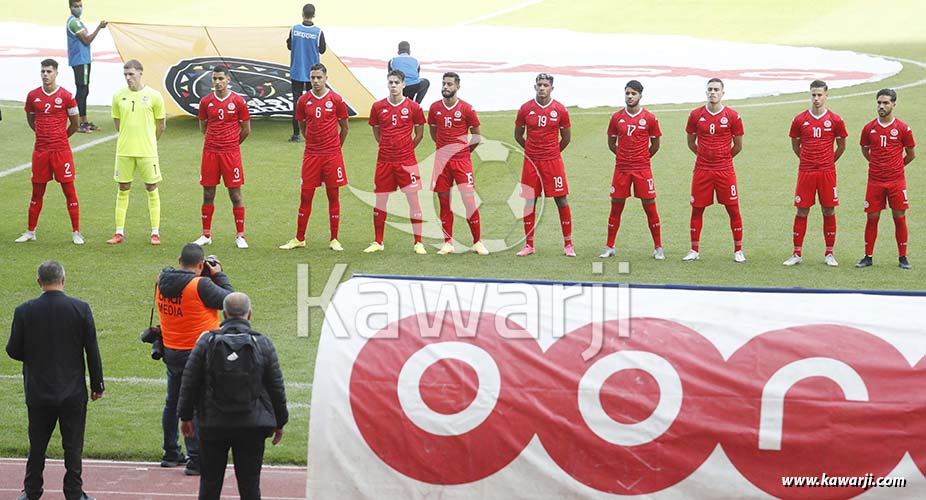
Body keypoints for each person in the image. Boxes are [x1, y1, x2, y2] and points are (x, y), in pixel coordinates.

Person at [7, 260, 104, 500]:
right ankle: (73, 492)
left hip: (38, 390)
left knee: (37, 445)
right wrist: (97, 385)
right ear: (63, 279)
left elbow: (13, 350)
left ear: (39, 281)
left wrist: (34, 355)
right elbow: (92, 350)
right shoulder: (80, 308)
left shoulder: (24, 310)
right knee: (73, 446)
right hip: (72, 391)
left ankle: (31, 491)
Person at [178, 292, 288, 500]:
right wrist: (280, 421)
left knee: (210, 484)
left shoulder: (206, 341)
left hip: (213, 424)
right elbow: (276, 387)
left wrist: (185, 417)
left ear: (223, 314)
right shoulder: (263, 343)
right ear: (250, 314)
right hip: (252, 425)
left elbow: (190, 380)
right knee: (250, 485)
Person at [156, 244, 235, 476]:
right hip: (199, 353)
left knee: (173, 402)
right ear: (201, 265)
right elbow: (233, 302)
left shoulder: (162, 279)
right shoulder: (201, 285)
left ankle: (171, 452)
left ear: (180, 259)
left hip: (171, 349)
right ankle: (196, 459)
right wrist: (219, 274)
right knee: (197, 406)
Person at [280, 63, 350, 251]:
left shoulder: (336, 99)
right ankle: (299, 238)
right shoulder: (303, 101)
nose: (316, 81)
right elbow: (303, 126)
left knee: (333, 195)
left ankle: (334, 239)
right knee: (306, 195)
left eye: (319, 77)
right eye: (313, 78)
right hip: (311, 155)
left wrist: (336, 148)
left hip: (332, 155)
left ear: (326, 78)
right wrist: (312, 141)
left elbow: (344, 127)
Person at [16, 59, 83, 245]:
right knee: (37, 192)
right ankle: (30, 231)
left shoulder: (67, 96)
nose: (45, 74)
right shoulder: (32, 96)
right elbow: (31, 119)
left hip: (61, 151)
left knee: (69, 190)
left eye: (49, 71)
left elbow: (75, 124)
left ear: (56, 73)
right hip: (40, 151)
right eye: (43, 71)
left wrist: (61, 138)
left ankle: (76, 232)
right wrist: (42, 135)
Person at [363, 69, 427, 254]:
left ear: (403, 84)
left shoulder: (414, 108)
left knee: (413, 200)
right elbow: (376, 131)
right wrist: (384, 145)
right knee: (380, 201)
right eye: (390, 82)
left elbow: (420, 133)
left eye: (396, 83)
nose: (393, 86)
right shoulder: (377, 107)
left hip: (406, 162)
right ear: (387, 84)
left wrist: (407, 149)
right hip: (384, 162)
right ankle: (378, 241)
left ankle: (418, 242)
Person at [784, 80, 847, 267]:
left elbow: (841, 146)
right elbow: (796, 145)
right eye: (813, 94)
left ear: (826, 95)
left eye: (820, 94)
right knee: (802, 210)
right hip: (806, 172)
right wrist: (807, 160)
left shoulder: (835, 120)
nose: (816, 98)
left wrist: (827, 161)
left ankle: (829, 253)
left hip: (827, 172)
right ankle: (797, 253)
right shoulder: (799, 119)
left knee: (828, 210)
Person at [683, 78, 746, 262]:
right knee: (697, 209)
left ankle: (738, 250)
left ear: (722, 93)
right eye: (710, 89)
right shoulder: (695, 115)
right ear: (706, 92)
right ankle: (694, 250)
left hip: (725, 170)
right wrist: (704, 156)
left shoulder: (733, 116)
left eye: (716, 89)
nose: (713, 92)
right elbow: (690, 142)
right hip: (702, 169)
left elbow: (738, 146)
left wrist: (722, 158)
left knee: (733, 209)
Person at [599, 80, 663, 260]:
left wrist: (643, 158)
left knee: (650, 207)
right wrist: (623, 157)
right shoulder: (616, 117)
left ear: (640, 96)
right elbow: (612, 143)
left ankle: (658, 247)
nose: (630, 96)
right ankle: (609, 246)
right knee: (616, 207)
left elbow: (655, 144)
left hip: (642, 169)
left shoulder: (649, 118)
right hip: (621, 169)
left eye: (633, 94)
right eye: (627, 93)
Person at [514, 73, 574, 257]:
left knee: (561, 199)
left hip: (552, 162)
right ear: (535, 87)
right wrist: (532, 151)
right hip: (531, 162)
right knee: (530, 200)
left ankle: (568, 245)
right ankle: (529, 245)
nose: (542, 88)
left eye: (545, 85)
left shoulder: (560, 110)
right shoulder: (525, 109)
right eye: (539, 85)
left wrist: (552, 152)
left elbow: (566, 139)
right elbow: (518, 135)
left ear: (551, 88)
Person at [427, 72, 487, 255]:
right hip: (441, 163)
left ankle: (477, 242)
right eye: (444, 83)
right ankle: (448, 242)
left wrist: (464, 152)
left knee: (469, 201)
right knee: (444, 202)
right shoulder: (435, 108)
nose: (446, 87)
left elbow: (476, 136)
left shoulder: (467, 109)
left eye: (450, 84)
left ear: (457, 87)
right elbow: (433, 131)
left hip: (462, 162)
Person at [856, 88, 916, 269]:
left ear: (893, 105)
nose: (881, 106)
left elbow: (911, 154)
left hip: (896, 181)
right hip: (875, 181)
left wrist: (896, 167)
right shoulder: (869, 128)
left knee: (899, 217)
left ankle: (903, 257)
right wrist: (877, 165)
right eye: (879, 103)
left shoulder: (903, 128)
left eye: (886, 103)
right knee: (872, 217)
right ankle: (868, 256)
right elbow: (865, 149)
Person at [107, 59, 166, 246]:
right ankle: (119, 232)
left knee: (151, 188)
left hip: (147, 151)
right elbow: (118, 123)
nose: (128, 77)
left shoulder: (154, 96)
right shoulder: (118, 96)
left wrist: (149, 141)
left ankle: (155, 233)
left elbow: (161, 125)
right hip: (124, 151)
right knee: (123, 188)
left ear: (140, 73)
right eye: (125, 74)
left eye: (131, 74)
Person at [193, 66, 252, 250]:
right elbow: (203, 126)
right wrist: (215, 141)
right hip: (210, 153)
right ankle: (206, 235)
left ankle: (240, 235)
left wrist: (232, 144)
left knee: (235, 194)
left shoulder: (238, 101)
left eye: (220, 79)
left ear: (228, 80)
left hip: (230, 154)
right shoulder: (206, 102)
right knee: (208, 193)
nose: (217, 82)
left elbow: (246, 129)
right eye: (214, 79)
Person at [286, 3, 326, 143]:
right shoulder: (318, 32)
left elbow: (289, 45)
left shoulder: (294, 29)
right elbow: (322, 50)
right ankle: (313, 132)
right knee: (313, 102)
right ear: (314, 15)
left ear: (302, 14)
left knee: (297, 102)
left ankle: (296, 134)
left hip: (297, 69)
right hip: (313, 73)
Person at [66, 0, 107, 133]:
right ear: (70, 7)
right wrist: (99, 28)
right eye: (76, 6)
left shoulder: (77, 22)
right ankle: (77, 123)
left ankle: (83, 121)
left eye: (80, 6)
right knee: (82, 91)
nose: (79, 8)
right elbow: (87, 39)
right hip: (80, 60)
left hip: (83, 59)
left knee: (84, 90)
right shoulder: (73, 22)